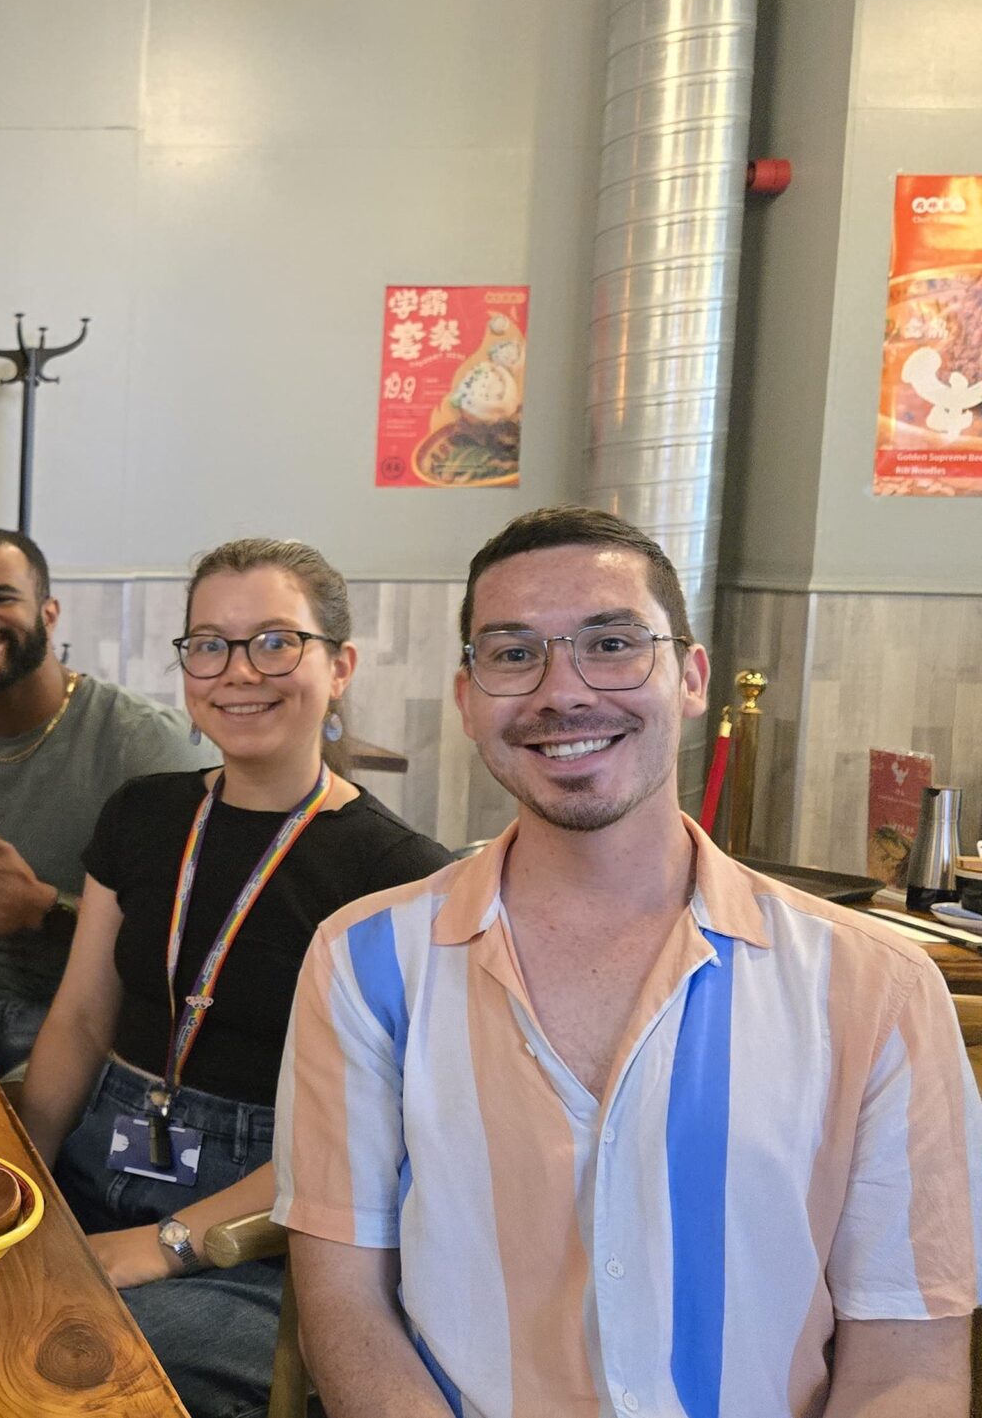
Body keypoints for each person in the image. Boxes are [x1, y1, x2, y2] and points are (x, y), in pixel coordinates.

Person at [277, 506, 982, 1418]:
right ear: (468, 698)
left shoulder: (875, 988)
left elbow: (909, 1363)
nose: (562, 690)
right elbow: (347, 1310)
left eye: (612, 643)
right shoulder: (365, 963)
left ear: (691, 678)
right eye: (513, 652)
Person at [18, 539, 448, 1418]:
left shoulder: (398, 874)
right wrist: (16, 1168)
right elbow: (80, 1019)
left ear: (341, 666)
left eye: (276, 641)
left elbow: (366, 1143)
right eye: (209, 643)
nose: (238, 671)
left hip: (264, 1238)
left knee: (68, 1356)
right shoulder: (142, 813)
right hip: (99, 1161)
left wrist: (170, 1241)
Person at [0, 526, 217, 1075]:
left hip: (124, 1040)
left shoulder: (147, 746)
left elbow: (196, 940)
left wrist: (48, 908)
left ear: (48, 613)